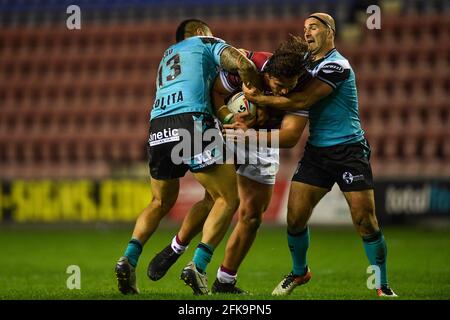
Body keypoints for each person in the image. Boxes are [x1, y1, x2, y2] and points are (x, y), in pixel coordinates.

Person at [243, 13, 397, 297]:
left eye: (313, 27)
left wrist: (260, 100)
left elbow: (302, 100)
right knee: (295, 218)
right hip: (317, 152)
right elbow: (275, 68)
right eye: (304, 29)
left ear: (330, 31)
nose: (308, 33)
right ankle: (299, 272)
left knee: (365, 220)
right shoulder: (302, 66)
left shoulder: (338, 66)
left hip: (349, 150)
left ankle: (382, 284)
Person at [146, 36, 311, 294]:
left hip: (266, 141)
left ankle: (224, 281)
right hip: (231, 131)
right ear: (268, 73)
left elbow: (289, 137)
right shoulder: (249, 66)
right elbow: (216, 91)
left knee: (252, 215)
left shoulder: (302, 84)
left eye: (289, 87)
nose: (284, 92)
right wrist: (227, 116)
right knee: (216, 198)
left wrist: (259, 115)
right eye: (279, 85)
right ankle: (180, 251)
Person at [115, 19, 260, 295]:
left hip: (158, 124)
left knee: (159, 201)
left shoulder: (167, 55)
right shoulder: (206, 43)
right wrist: (253, 91)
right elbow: (243, 64)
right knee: (227, 198)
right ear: (197, 33)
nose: (215, 36)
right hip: (190, 121)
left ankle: (128, 258)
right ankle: (198, 265)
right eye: (210, 31)